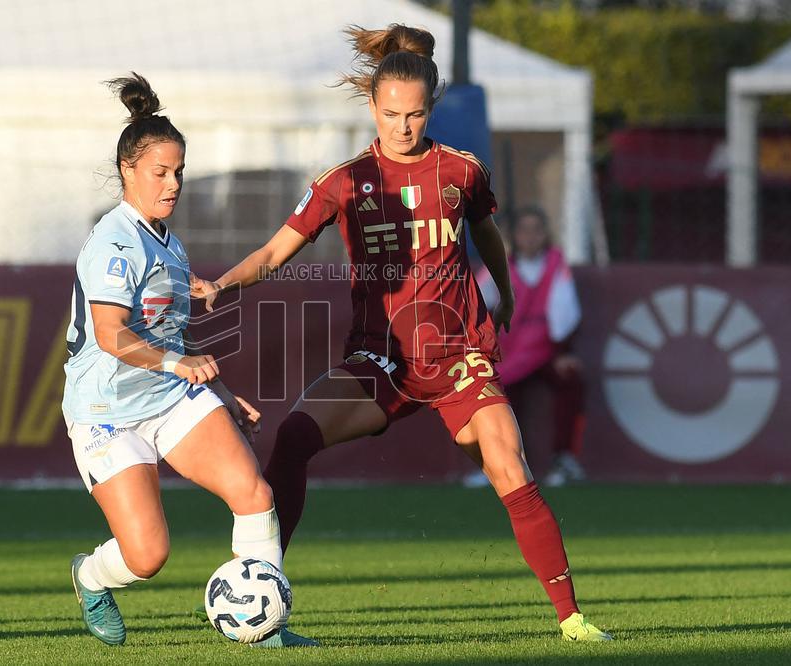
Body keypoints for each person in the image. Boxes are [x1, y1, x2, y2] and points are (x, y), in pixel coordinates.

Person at [192, 25, 611, 642]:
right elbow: (276, 251)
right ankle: (267, 601)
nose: (403, 127)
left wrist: (506, 291)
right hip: (377, 358)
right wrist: (223, 286)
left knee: (510, 468)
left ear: (431, 109)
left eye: (415, 115)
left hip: (456, 356)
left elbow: (486, 232)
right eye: (391, 114)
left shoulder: (461, 171)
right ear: (372, 107)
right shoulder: (345, 180)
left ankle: (572, 619)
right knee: (293, 438)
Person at [62, 73, 316, 648]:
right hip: (105, 409)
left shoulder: (168, 243)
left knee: (254, 494)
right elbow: (109, 336)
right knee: (147, 556)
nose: (173, 183)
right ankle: (89, 576)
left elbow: (171, 334)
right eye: (161, 172)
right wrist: (181, 367)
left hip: (168, 399)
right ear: (129, 170)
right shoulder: (115, 243)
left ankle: (267, 628)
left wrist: (220, 394)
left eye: (179, 171)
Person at [464, 206, 587, 488]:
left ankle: (564, 459)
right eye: (524, 231)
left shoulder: (556, 264)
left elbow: (565, 313)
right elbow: (475, 305)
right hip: (509, 353)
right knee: (494, 397)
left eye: (536, 231)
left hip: (546, 353)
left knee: (571, 381)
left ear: (546, 235)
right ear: (513, 236)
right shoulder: (501, 265)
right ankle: (501, 464)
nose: (530, 237)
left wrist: (563, 353)